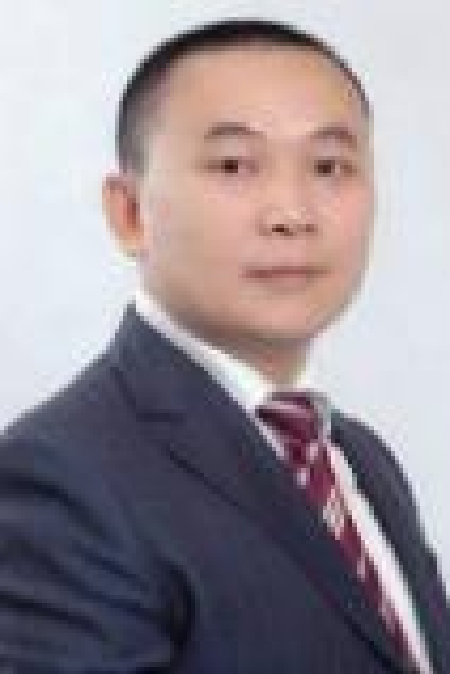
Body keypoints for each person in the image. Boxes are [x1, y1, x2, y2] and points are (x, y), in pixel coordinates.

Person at [0, 17, 448, 674]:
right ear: (129, 213)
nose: (291, 214)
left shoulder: (361, 460)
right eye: (234, 165)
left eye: (329, 166)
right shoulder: (61, 476)